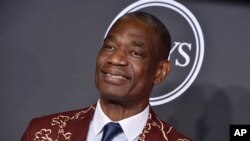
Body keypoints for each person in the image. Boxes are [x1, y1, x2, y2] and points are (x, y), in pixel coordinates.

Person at [22, 11, 192, 141]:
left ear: (160, 71)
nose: (116, 59)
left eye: (135, 52)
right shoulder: (42, 133)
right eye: (109, 47)